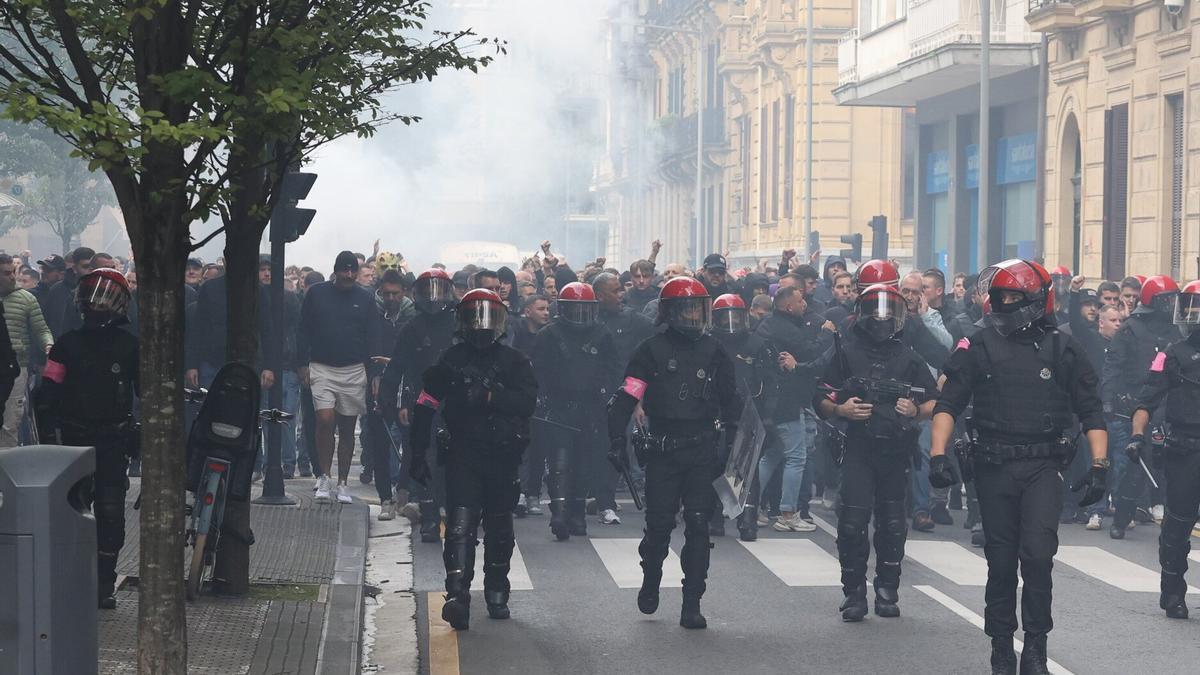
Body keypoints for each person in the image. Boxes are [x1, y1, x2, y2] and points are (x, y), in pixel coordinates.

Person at [929, 258, 1108, 675]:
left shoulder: (1063, 348)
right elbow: (948, 404)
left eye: (1015, 296)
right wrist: (937, 456)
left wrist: (1099, 465)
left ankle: (1035, 649)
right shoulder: (977, 345)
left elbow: (1091, 411)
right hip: (993, 466)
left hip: (1043, 466)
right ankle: (1000, 646)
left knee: (1039, 555)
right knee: (1002, 560)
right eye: (1001, 296)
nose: (1007, 303)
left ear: (1036, 299)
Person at [607, 276, 742, 629]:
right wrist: (615, 440)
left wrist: (735, 452)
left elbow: (732, 404)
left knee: (698, 527)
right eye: (687, 309)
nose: (694, 316)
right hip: (664, 450)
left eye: (699, 308)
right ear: (670, 313)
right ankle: (651, 579)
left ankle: (692, 602)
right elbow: (627, 396)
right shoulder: (650, 350)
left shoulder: (715, 351)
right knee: (659, 526)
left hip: (702, 451)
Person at [408, 288, 537, 630]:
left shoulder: (515, 361)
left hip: (503, 454)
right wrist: (417, 452)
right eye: (473, 316)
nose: (481, 325)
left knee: (498, 526)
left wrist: (491, 395)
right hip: (463, 452)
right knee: (460, 526)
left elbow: (528, 403)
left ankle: (497, 590)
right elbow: (424, 405)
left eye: (487, 316)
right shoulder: (450, 360)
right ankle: (458, 596)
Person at [816, 284, 938, 621]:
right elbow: (819, 395)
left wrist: (915, 411)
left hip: (895, 450)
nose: (882, 318)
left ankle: (888, 588)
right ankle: (853, 591)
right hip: (858, 447)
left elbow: (934, 400)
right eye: (876, 310)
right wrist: (841, 410)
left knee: (893, 523)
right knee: (852, 523)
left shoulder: (909, 356)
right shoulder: (845, 352)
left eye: (889, 312)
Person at [33, 268, 138, 609]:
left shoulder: (129, 345)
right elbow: (47, 394)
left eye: (106, 297)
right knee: (70, 513)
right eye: (94, 295)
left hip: (112, 440)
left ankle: (104, 583)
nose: (98, 304)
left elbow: (147, 393)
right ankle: (70, 578)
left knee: (110, 514)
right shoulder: (66, 345)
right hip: (73, 442)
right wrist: (49, 435)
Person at [1127, 280, 1200, 618]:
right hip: (1186, 450)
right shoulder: (1172, 354)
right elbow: (1146, 400)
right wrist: (1137, 436)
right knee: (1177, 525)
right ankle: (1173, 592)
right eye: (1189, 308)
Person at [533, 282, 621, 537]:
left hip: (591, 406)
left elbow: (613, 368)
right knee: (560, 462)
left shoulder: (602, 333)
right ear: (563, 309)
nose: (580, 315)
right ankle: (559, 513)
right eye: (575, 309)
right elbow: (537, 371)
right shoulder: (549, 334)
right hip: (559, 405)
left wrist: (608, 394)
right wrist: (542, 399)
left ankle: (577, 513)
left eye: (585, 309)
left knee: (584, 461)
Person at [379, 269, 458, 542]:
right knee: (426, 459)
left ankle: (455, 512)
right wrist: (386, 397)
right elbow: (397, 366)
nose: (434, 298)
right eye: (428, 291)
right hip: (424, 401)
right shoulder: (412, 328)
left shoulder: (461, 324)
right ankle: (429, 516)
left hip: (457, 401)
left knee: (457, 459)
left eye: (439, 290)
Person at [297, 251, 381, 504]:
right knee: (324, 419)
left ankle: (343, 482)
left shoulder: (365, 298)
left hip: (354, 368)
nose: (349, 275)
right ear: (335, 271)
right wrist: (302, 364)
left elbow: (372, 335)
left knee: (346, 426)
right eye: (344, 270)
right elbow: (303, 329)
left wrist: (374, 372)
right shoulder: (316, 293)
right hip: (321, 366)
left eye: (352, 270)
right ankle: (324, 475)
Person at [1102, 275, 1181, 539]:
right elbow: (1113, 366)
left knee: (1177, 464)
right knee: (1136, 466)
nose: (1171, 305)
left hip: (1171, 403)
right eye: (1166, 300)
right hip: (1140, 405)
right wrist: (1109, 399)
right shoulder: (1130, 328)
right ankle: (1122, 518)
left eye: (1173, 299)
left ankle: (1176, 516)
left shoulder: (1176, 329)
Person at [755, 285, 834, 532]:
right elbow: (810, 351)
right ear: (789, 306)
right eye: (800, 301)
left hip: (772, 400)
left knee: (774, 454)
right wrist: (825, 335)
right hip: (786, 400)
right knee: (797, 456)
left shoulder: (770, 324)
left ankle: (751, 504)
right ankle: (787, 513)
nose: (805, 305)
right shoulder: (787, 329)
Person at [710, 294, 779, 540]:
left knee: (747, 469)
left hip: (750, 409)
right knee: (716, 463)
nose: (731, 323)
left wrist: (768, 415)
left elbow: (771, 381)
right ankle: (716, 516)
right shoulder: (708, 343)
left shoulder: (757, 343)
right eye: (725, 317)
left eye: (736, 316)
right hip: (716, 410)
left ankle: (747, 519)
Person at [368, 270, 415, 519]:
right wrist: (376, 372)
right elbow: (367, 347)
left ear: (403, 292)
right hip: (380, 386)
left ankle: (404, 490)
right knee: (379, 443)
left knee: (410, 443)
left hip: (405, 386)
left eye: (395, 293)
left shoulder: (414, 317)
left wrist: (395, 362)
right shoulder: (373, 314)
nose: (391, 298)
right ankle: (385, 497)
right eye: (386, 293)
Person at [0, 254, 52, 447]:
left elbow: (41, 329)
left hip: (16, 368)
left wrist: (48, 345)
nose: (13, 277)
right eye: (6, 273)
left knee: (10, 421)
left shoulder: (26, 299)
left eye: (13, 272)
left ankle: (5, 471)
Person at [44, 247, 94, 339]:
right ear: (74, 268)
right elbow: (49, 323)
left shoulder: (102, 292)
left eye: (93, 267)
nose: (90, 271)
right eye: (86, 267)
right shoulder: (57, 290)